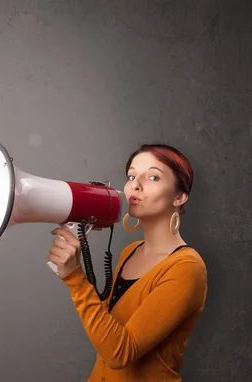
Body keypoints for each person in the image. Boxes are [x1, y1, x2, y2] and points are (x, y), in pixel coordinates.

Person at [47, 143, 208, 382]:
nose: (135, 185)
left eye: (153, 177)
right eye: (131, 176)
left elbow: (120, 353)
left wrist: (75, 279)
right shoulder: (130, 252)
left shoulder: (187, 268)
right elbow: (106, 331)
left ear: (179, 196)